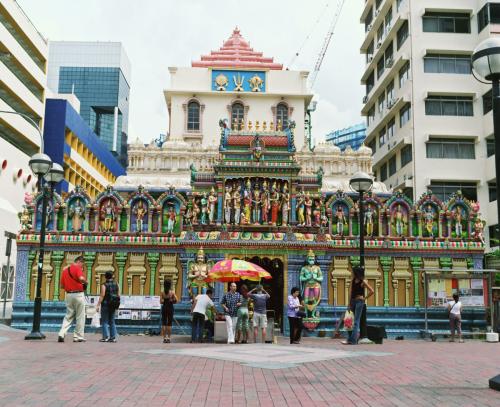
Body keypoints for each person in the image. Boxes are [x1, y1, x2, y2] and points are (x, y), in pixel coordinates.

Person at [58, 256, 88, 343]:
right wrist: (86, 282)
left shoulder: (65, 271)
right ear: (79, 261)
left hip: (69, 295)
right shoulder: (78, 268)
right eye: (82, 264)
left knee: (68, 315)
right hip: (78, 294)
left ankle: (61, 333)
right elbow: (81, 278)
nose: (82, 266)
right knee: (80, 316)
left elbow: (62, 286)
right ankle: (78, 337)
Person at [342, 266, 374, 345]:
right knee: (349, 321)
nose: (352, 273)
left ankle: (352, 340)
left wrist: (364, 298)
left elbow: (372, 291)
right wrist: (349, 303)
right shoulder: (353, 280)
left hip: (359, 302)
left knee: (356, 321)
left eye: (354, 272)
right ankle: (351, 339)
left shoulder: (363, 281)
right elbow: (351, 292)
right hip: (353, 301)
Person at [96, 271, 120, 343]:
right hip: (113, 304)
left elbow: (102, 295)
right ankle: (113, 338)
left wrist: (98, 304)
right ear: (112, 276)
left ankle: (105, 337)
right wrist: (117, 303)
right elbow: (118, 295)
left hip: (105, 304)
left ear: (105, 277)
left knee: (105, 321)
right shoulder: (117, 284)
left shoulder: (104, 285)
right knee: (112, 321)